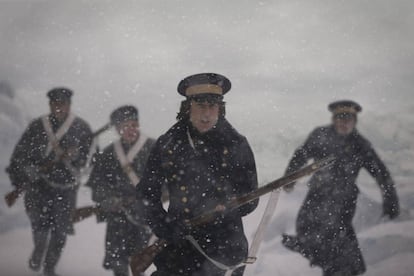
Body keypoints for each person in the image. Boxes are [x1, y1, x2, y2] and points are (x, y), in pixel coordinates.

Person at [136, 73, 259, 276]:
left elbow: (251, 195)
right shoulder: (168, 143)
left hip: (225, 247)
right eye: (201, 106)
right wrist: (164, 225)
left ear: (220, 108)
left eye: (212, 107)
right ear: (188, 107)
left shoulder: (237, 144)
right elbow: (146, 193)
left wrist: (228, 208)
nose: (206, 115)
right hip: (179, 243)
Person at [281, 100, 400, 276]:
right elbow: (300, 155)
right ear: (334, 119)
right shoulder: (320, 135)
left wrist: (390, 200)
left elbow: (381, 172)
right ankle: (330, 260)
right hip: (318, 193)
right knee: (305, 226)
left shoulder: (360, 144)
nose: (344, 122)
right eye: (340, 118)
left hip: (343, 199)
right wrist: (289, 178)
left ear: (354, 121)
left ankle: (338, 268)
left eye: (348, 118)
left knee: (335, 235)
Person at [7, 87, 93, 276]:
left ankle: (50, 268)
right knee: (40, 228)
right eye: (55, 103)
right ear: (50, 104)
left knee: (60, 232)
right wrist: (28, 171)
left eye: (62, 103)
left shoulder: (82, 127)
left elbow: (92, 157)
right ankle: (38, 251)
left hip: (66, 189)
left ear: (69, 105)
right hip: (39, 186)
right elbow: (20, 155)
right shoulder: (38, 126)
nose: (58, 107)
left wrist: (77, 157)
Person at [86, 105, 155, 276]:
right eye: (124, 126)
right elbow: (98, 185)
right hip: (117, 218)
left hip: (144, 216)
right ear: (117, 129)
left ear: (138, 124)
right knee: (118, 263)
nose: (129, 130)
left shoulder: (154, 148)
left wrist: (149, 196)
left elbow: (168, 183)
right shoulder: (108, 153)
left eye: (133, 125)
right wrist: (107, 199)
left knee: (140, 263)